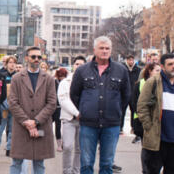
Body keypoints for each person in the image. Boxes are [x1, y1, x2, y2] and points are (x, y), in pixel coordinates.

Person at [69, 36, 130, 174]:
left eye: (107, 48)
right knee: (86, 163)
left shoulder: (121, 70)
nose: (104, 51)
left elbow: (126, 96)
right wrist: (84, 109)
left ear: (111, 50)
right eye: (101, 48)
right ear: (94, 50)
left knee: (107, 164)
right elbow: (74, 94)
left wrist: (116, 110)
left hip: (111, 124)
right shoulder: (82, 71)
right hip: (88, 124)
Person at [137, 54, 174, 174]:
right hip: (158, 141)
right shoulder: (153, 82)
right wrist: (149, 127)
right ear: (163, 67)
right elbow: (142, 106)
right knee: (152, 170)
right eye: (170, 64)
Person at [7, 46, 57, 174]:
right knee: (17, 162)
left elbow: (52, 103)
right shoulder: (17, 78)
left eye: (39, 57)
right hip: (21, 126)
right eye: (33, 56)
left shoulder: (49, 79)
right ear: (26, 58)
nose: (36, 59)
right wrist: (27, 122)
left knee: (39, 162)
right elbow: (13, 103)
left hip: (41, 126)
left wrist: (35, 122)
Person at [58, 56, 87, 174]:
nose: (78, 66)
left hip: (84, 120)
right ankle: (66, 171)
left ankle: (76, 171)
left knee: (80, 148)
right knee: (68, 146)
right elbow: (63, 99)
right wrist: (76, 113)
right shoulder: (65, 82)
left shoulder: (88, 82)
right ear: (73, 65)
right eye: (76, 64)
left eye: (81, 64)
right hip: (69, 118)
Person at [130, 63, 161, 145]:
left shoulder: (161, 84)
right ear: (150, 71)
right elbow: (134, 103)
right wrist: (144, 118)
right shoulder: (139, 84)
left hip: (157, 120)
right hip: (141, 120)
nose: (159, 73)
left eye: (160, 71)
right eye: (157, 70)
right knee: (147, 147)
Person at [0, 56, 17, 157]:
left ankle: (9, 149)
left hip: (14, 107)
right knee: (0, 129)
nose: (12, 64)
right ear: (7, 64)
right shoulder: (1, 75)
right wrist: (2, 103)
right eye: (10, 62)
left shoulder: (18, 76)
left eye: (14, 63)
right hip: (3, 106)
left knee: (12, 130)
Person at [124, 55, 141, 132]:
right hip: (125, 93)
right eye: (129, 60)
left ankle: (133, 127)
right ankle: (120, 127)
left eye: (132, 60)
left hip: (134, 93)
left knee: (134, 111)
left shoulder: (137, 70)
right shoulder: (123, 69)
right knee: (122, 110)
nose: (130, 61)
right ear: (126, 60)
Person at [54, 68, 69, 151]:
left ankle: (63, 143)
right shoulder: (54, 82)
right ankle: (59, 144)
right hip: (55, 107)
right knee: (58, 126)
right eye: (60, 76)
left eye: (63, 76)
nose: (62, 78)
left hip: (64, 107)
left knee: (65, 126)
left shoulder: (68, 83)